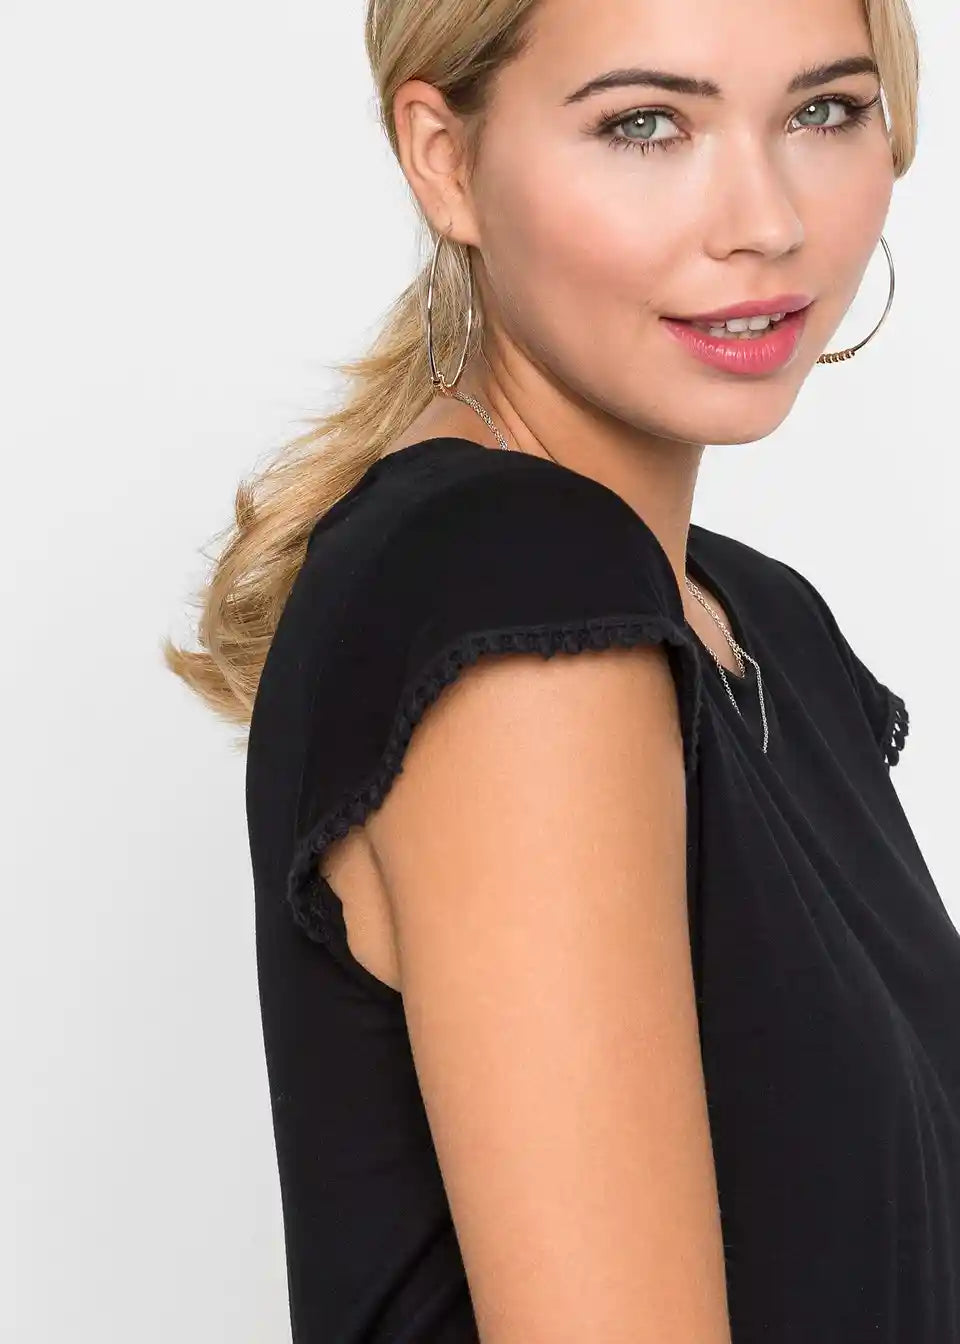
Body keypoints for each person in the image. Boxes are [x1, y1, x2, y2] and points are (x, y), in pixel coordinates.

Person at [165, 0, 959, 1340]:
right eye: (647, 124)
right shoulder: (520, 593)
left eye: (824, 110)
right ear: (444, 158)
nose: (765, 220)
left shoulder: (756, 620)